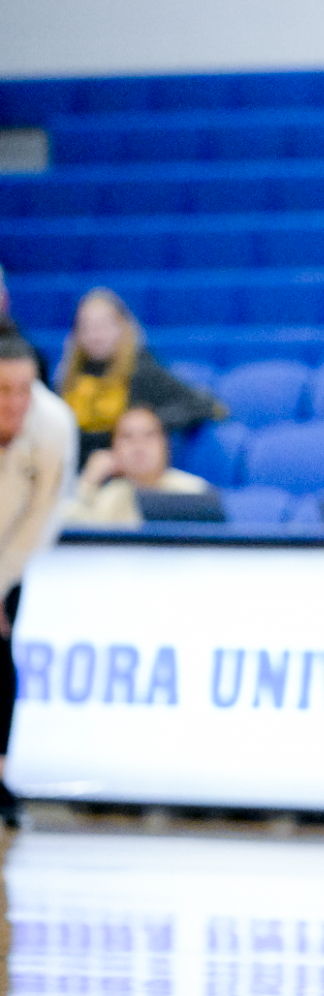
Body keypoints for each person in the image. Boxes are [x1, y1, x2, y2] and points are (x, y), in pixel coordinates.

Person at [0, 333, 77, 823]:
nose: (17, 401)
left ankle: (0, 775)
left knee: (0, 654)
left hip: (10, 550)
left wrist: (0, 583)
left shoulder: (53, 425)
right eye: (4, 389)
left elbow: (44, 516)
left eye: (26, 388)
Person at [54, 288, 220, 462]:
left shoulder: (142, 370)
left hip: (126, 472)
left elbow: (204, 405)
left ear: (123, 326)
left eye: (104, 324)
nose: (95, 334)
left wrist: (147, 424)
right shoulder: (67, 376)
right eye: (86, 326)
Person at [65, 404, 212, 526]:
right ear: (114, 448)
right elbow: (69, 539)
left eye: (149, 435)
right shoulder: (108, 498)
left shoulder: (195, 493)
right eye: (127, 437)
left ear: (165, 445)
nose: (139, 445)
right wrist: (88, 482)